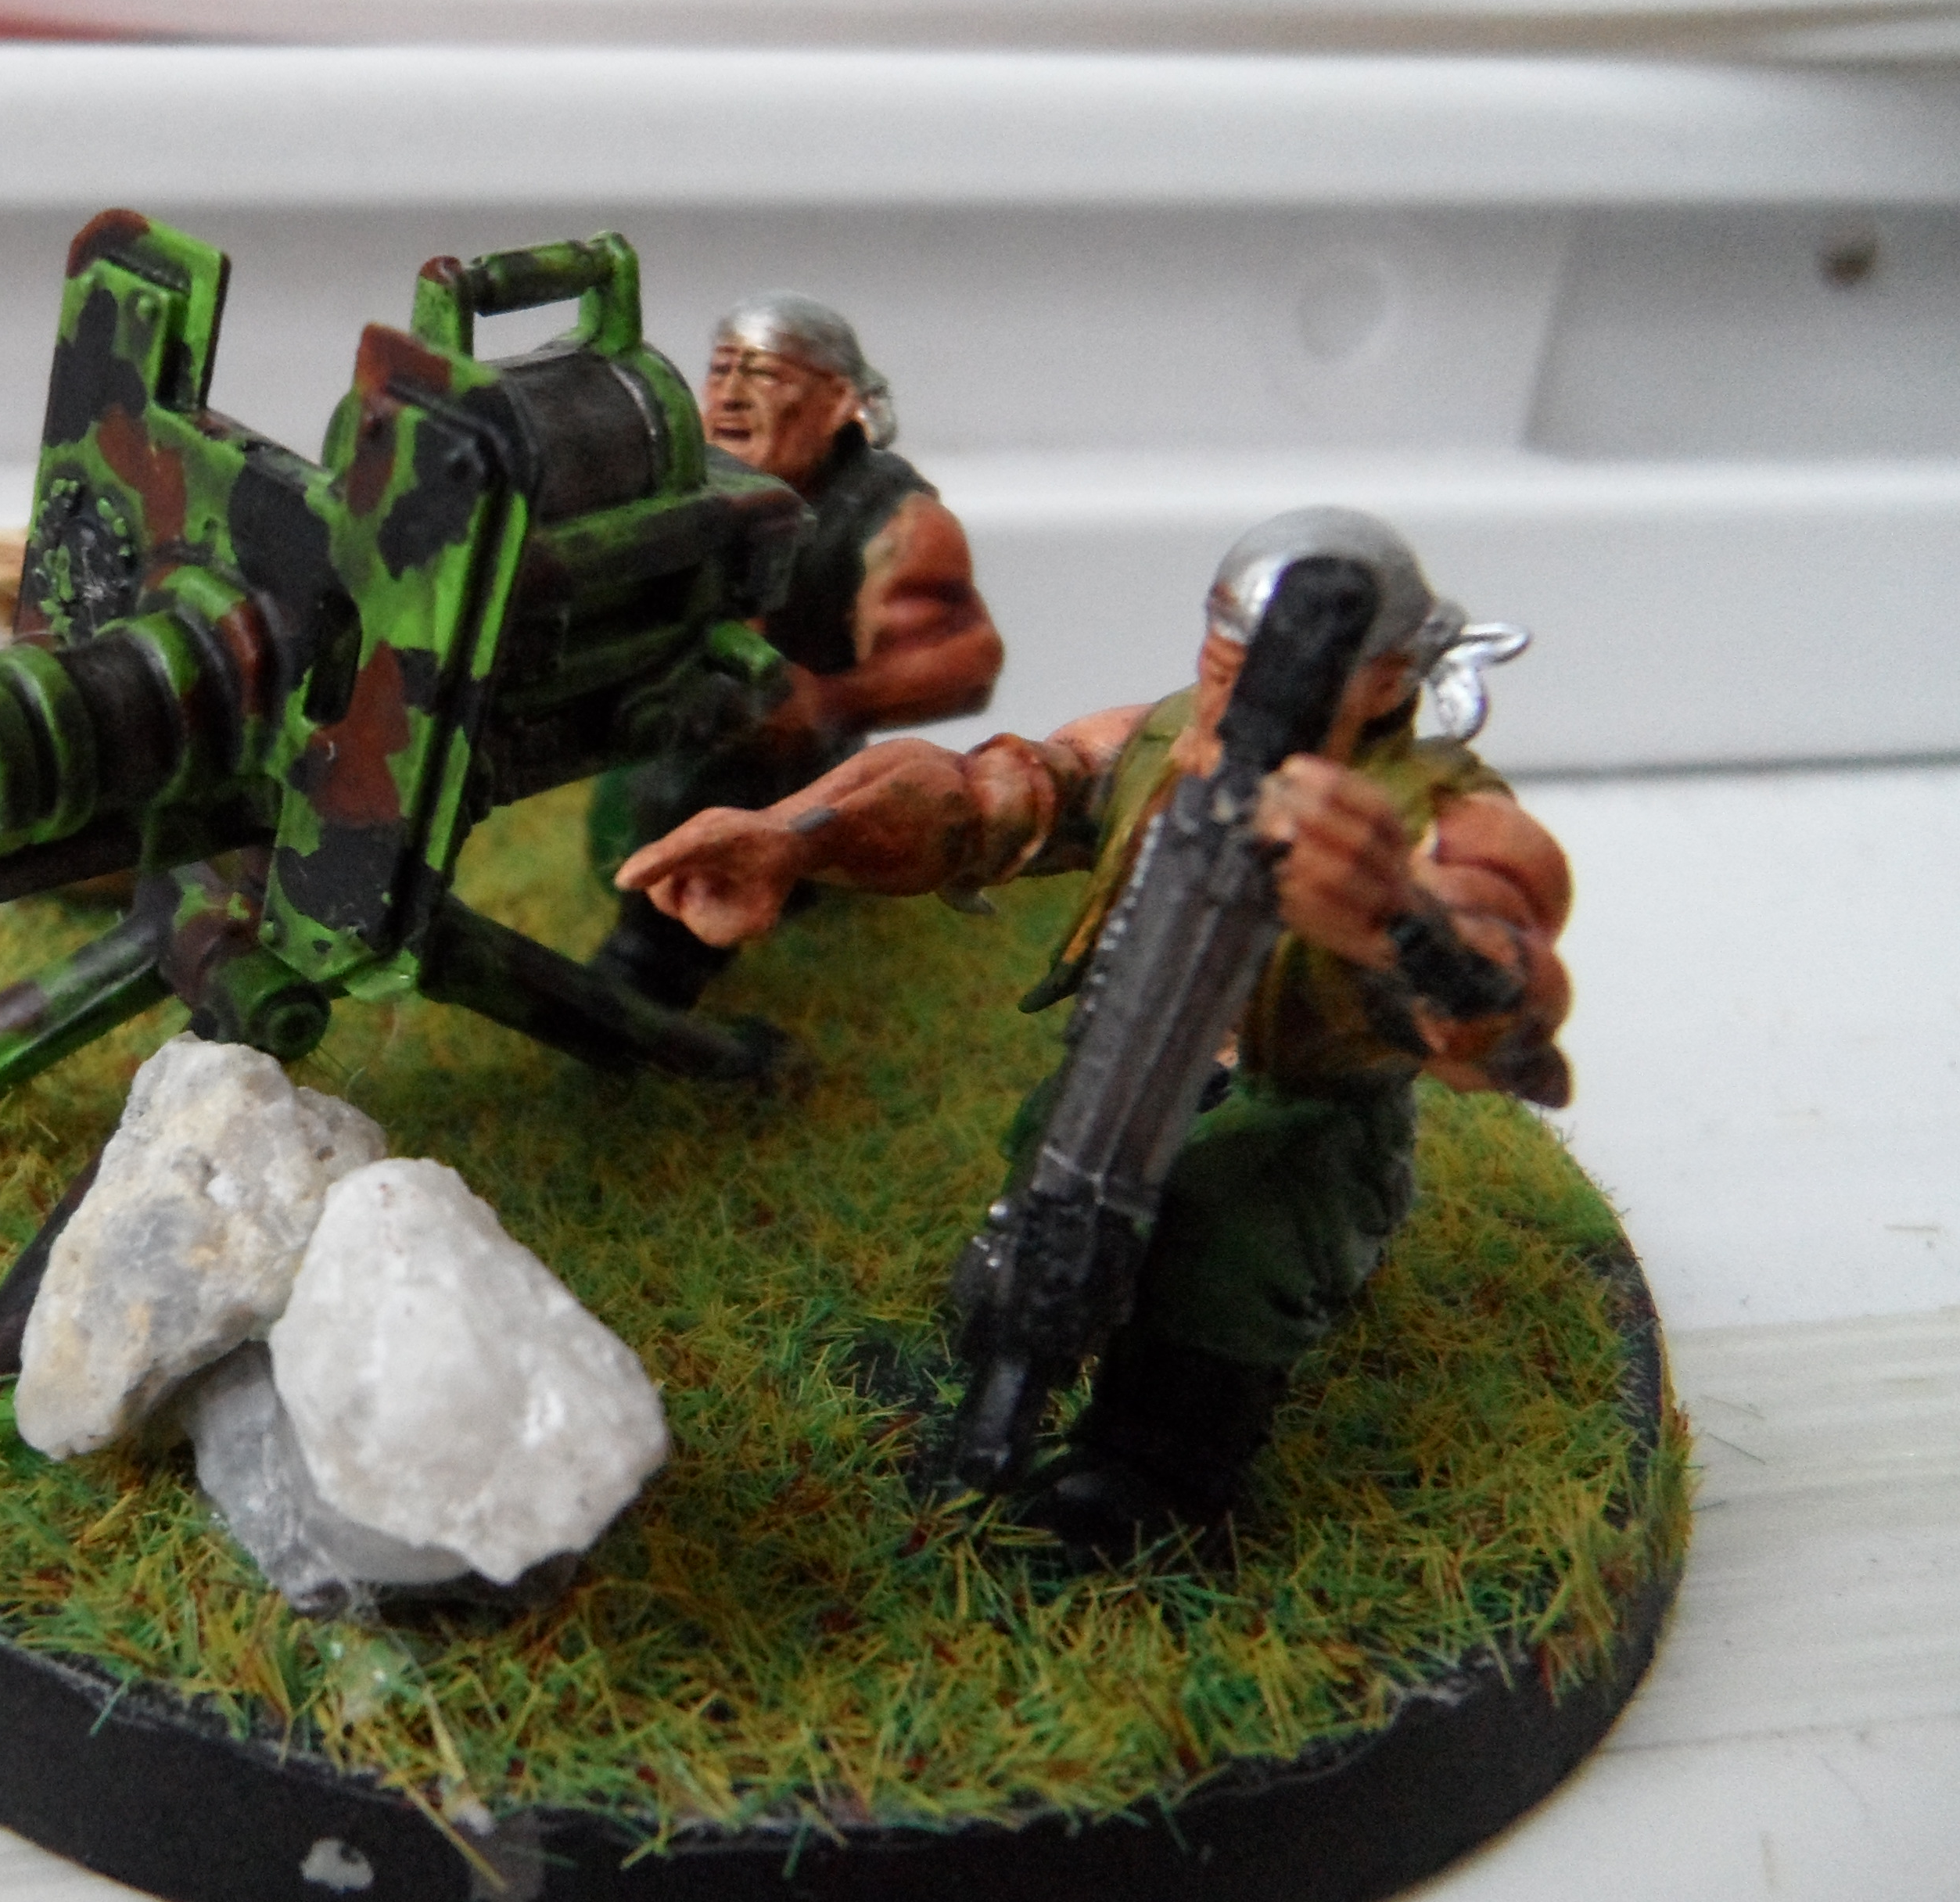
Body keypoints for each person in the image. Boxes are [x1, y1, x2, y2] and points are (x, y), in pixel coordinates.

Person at [614, 508, 1572, 1557]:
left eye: (1275, 675)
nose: (1240, 702)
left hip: (1297, 1109)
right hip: (1121, 1067)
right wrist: (797, 837)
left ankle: (1155, 1473)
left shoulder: (1443, 820)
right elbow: (984, 799)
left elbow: (1511, 992)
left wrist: (1395, 914)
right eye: (1224, 667)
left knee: (1225, 1257)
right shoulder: (1160, 746)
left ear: (1389, 683)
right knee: (1039, 1221)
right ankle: (995, 1390)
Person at [585, 292, 1004, 1007]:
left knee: (685, 801)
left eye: (765, 375)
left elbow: (962, 659)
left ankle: (651, 972)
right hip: (660, 724)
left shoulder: (896, 524)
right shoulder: (683, 479)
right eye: (721, 369)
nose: (731, 395)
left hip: (782, 761)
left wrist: (830, 701)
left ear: (838, 401)